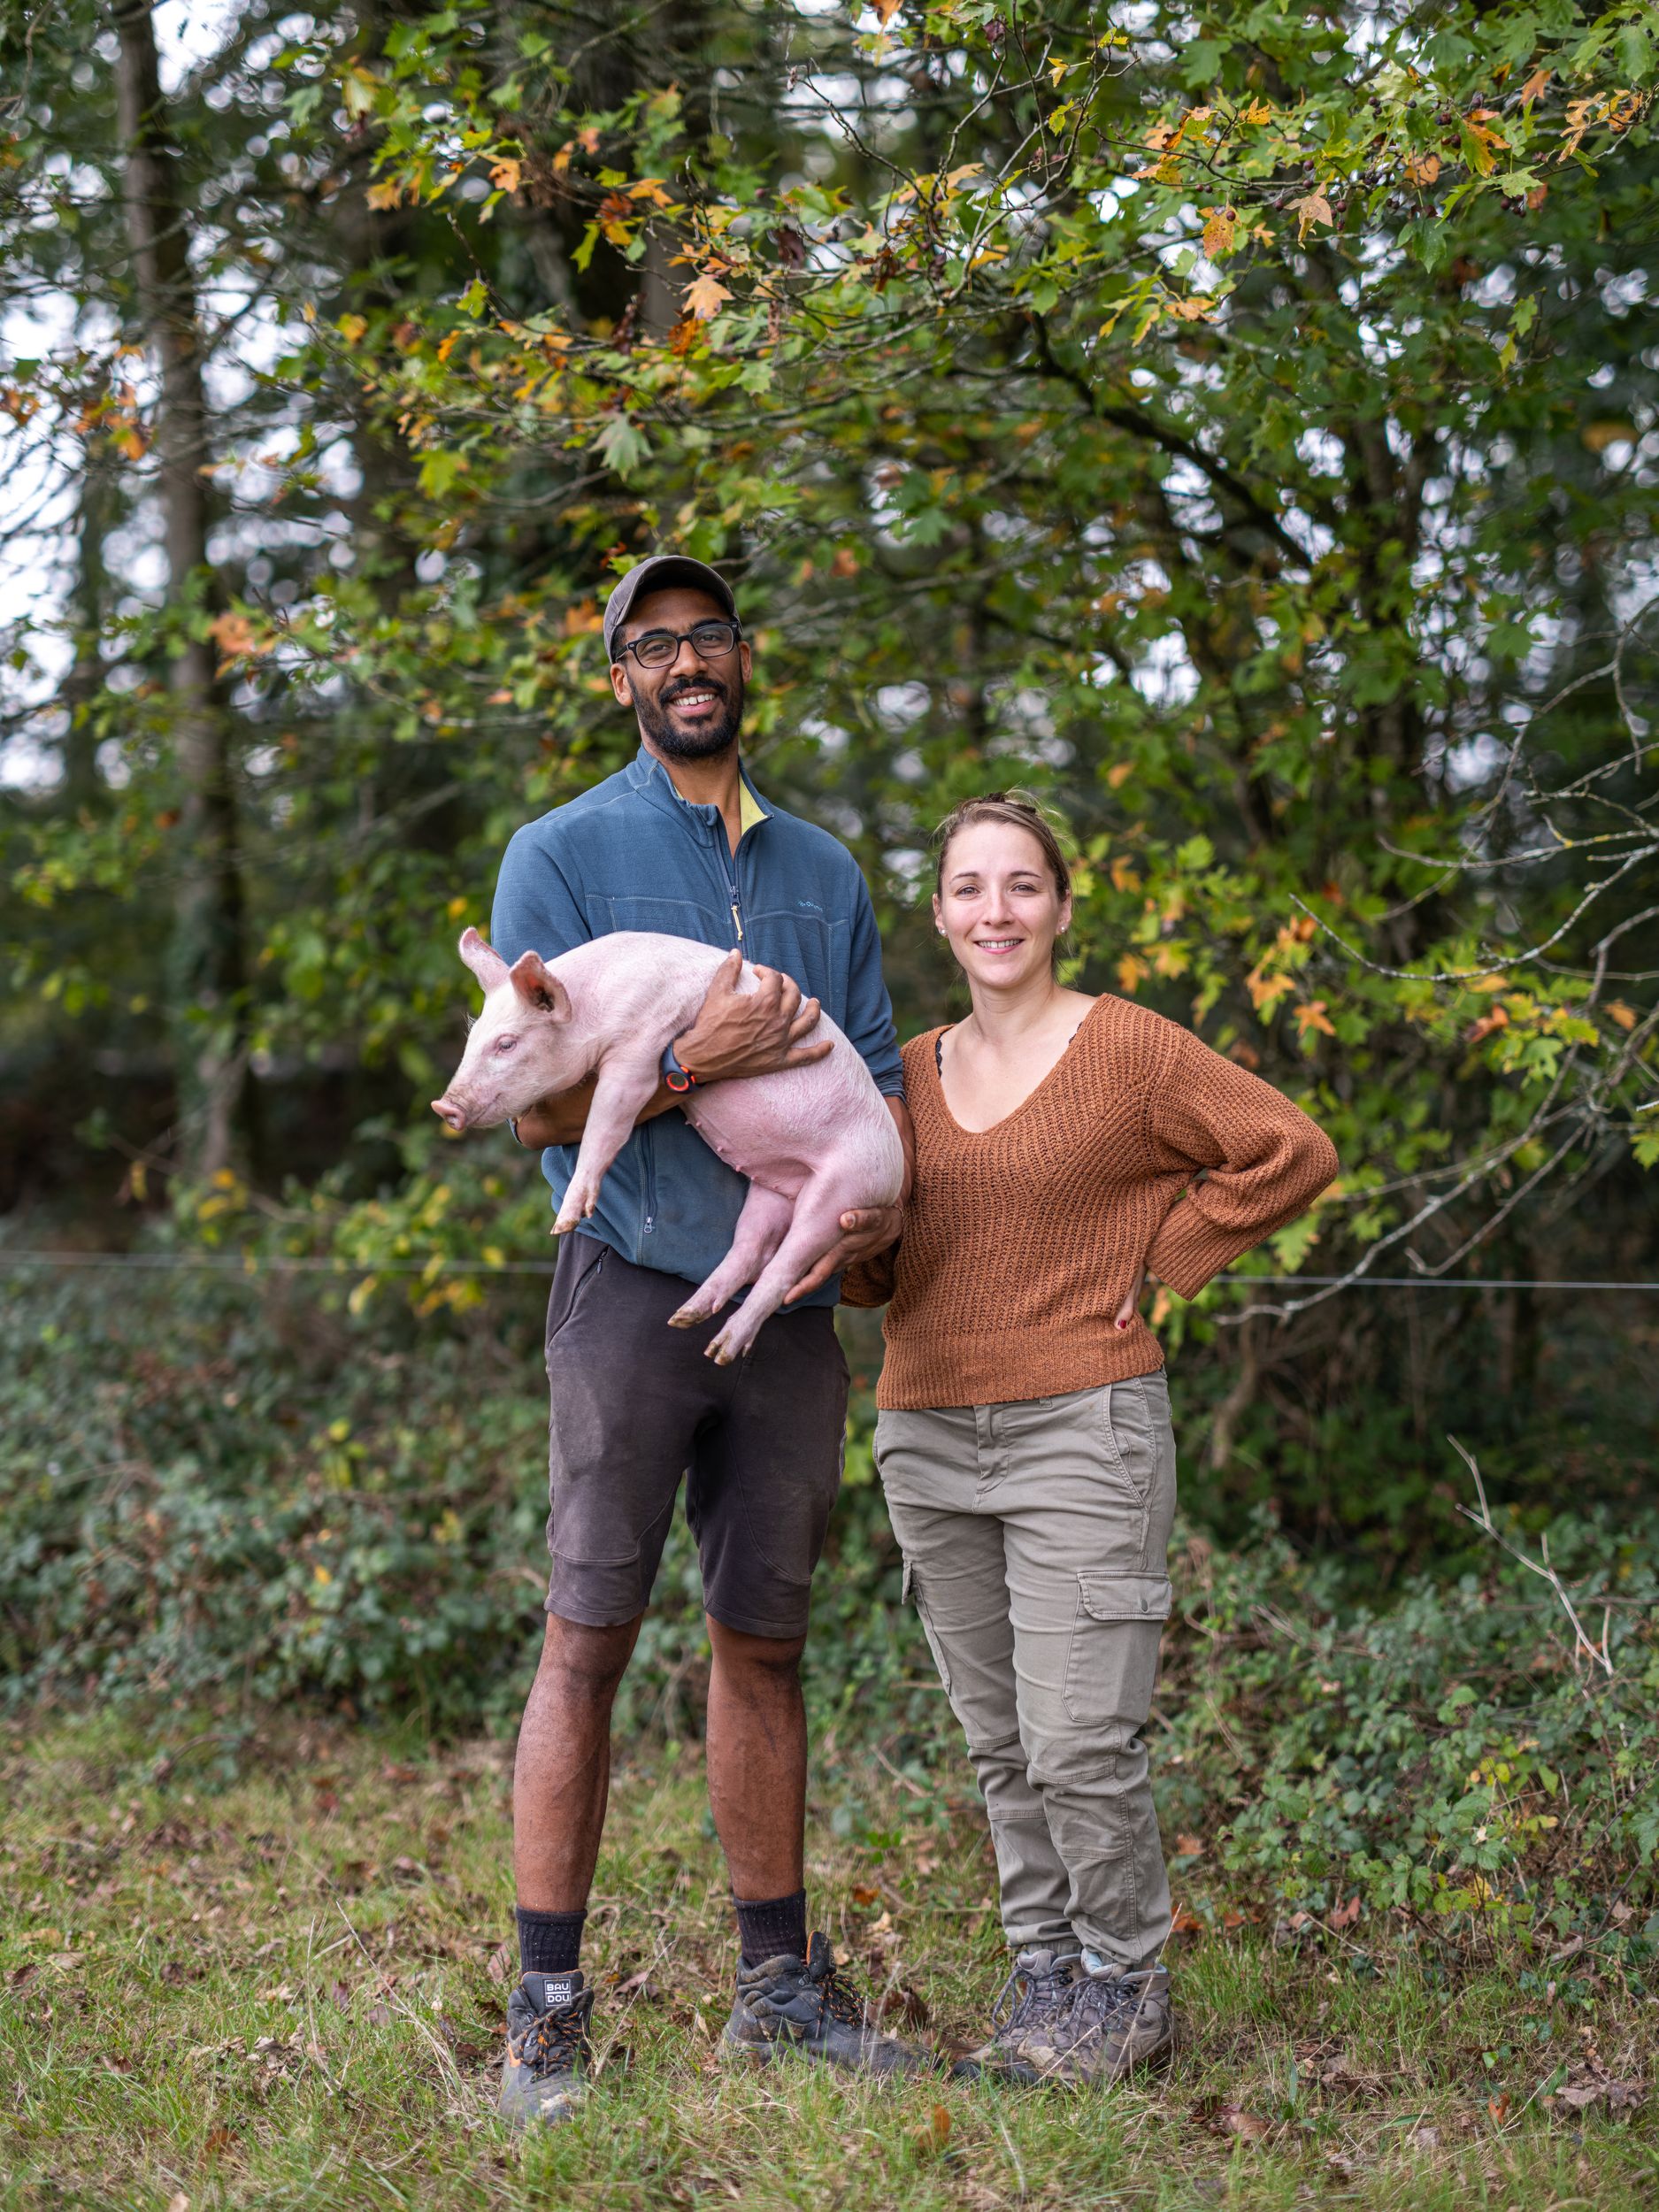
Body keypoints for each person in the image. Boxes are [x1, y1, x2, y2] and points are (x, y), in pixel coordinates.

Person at [488, 554, 924, 2126]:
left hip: (786, 1308)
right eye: (656, 644)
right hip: (626, 1287)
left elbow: (877, 1082)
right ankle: (546, 2013)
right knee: (587, 1635)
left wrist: (871, 1238)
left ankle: (778, 1995)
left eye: (711, 636)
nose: (689, 663)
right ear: (620, 677)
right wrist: (689, 1059)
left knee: (766, 1638)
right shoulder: (559, 856)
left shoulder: (822, 868)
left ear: (744, 662)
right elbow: (534, 1107)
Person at [843, 793, 1338, 2085]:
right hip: (925, 1432)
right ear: (939, 915)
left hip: (1083, 1424)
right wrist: (842, 1233)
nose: (995, 911)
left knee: (1078, 1741)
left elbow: (1289, 1150)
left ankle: (1127, 1985)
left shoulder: (1128, 1049)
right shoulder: (903, 1075)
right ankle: (1047, 1974)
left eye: (1022, 885)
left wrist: (1168, 1251)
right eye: (969, 888)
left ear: (1062, 906)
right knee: (1003, 1742)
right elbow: (874, 1270)